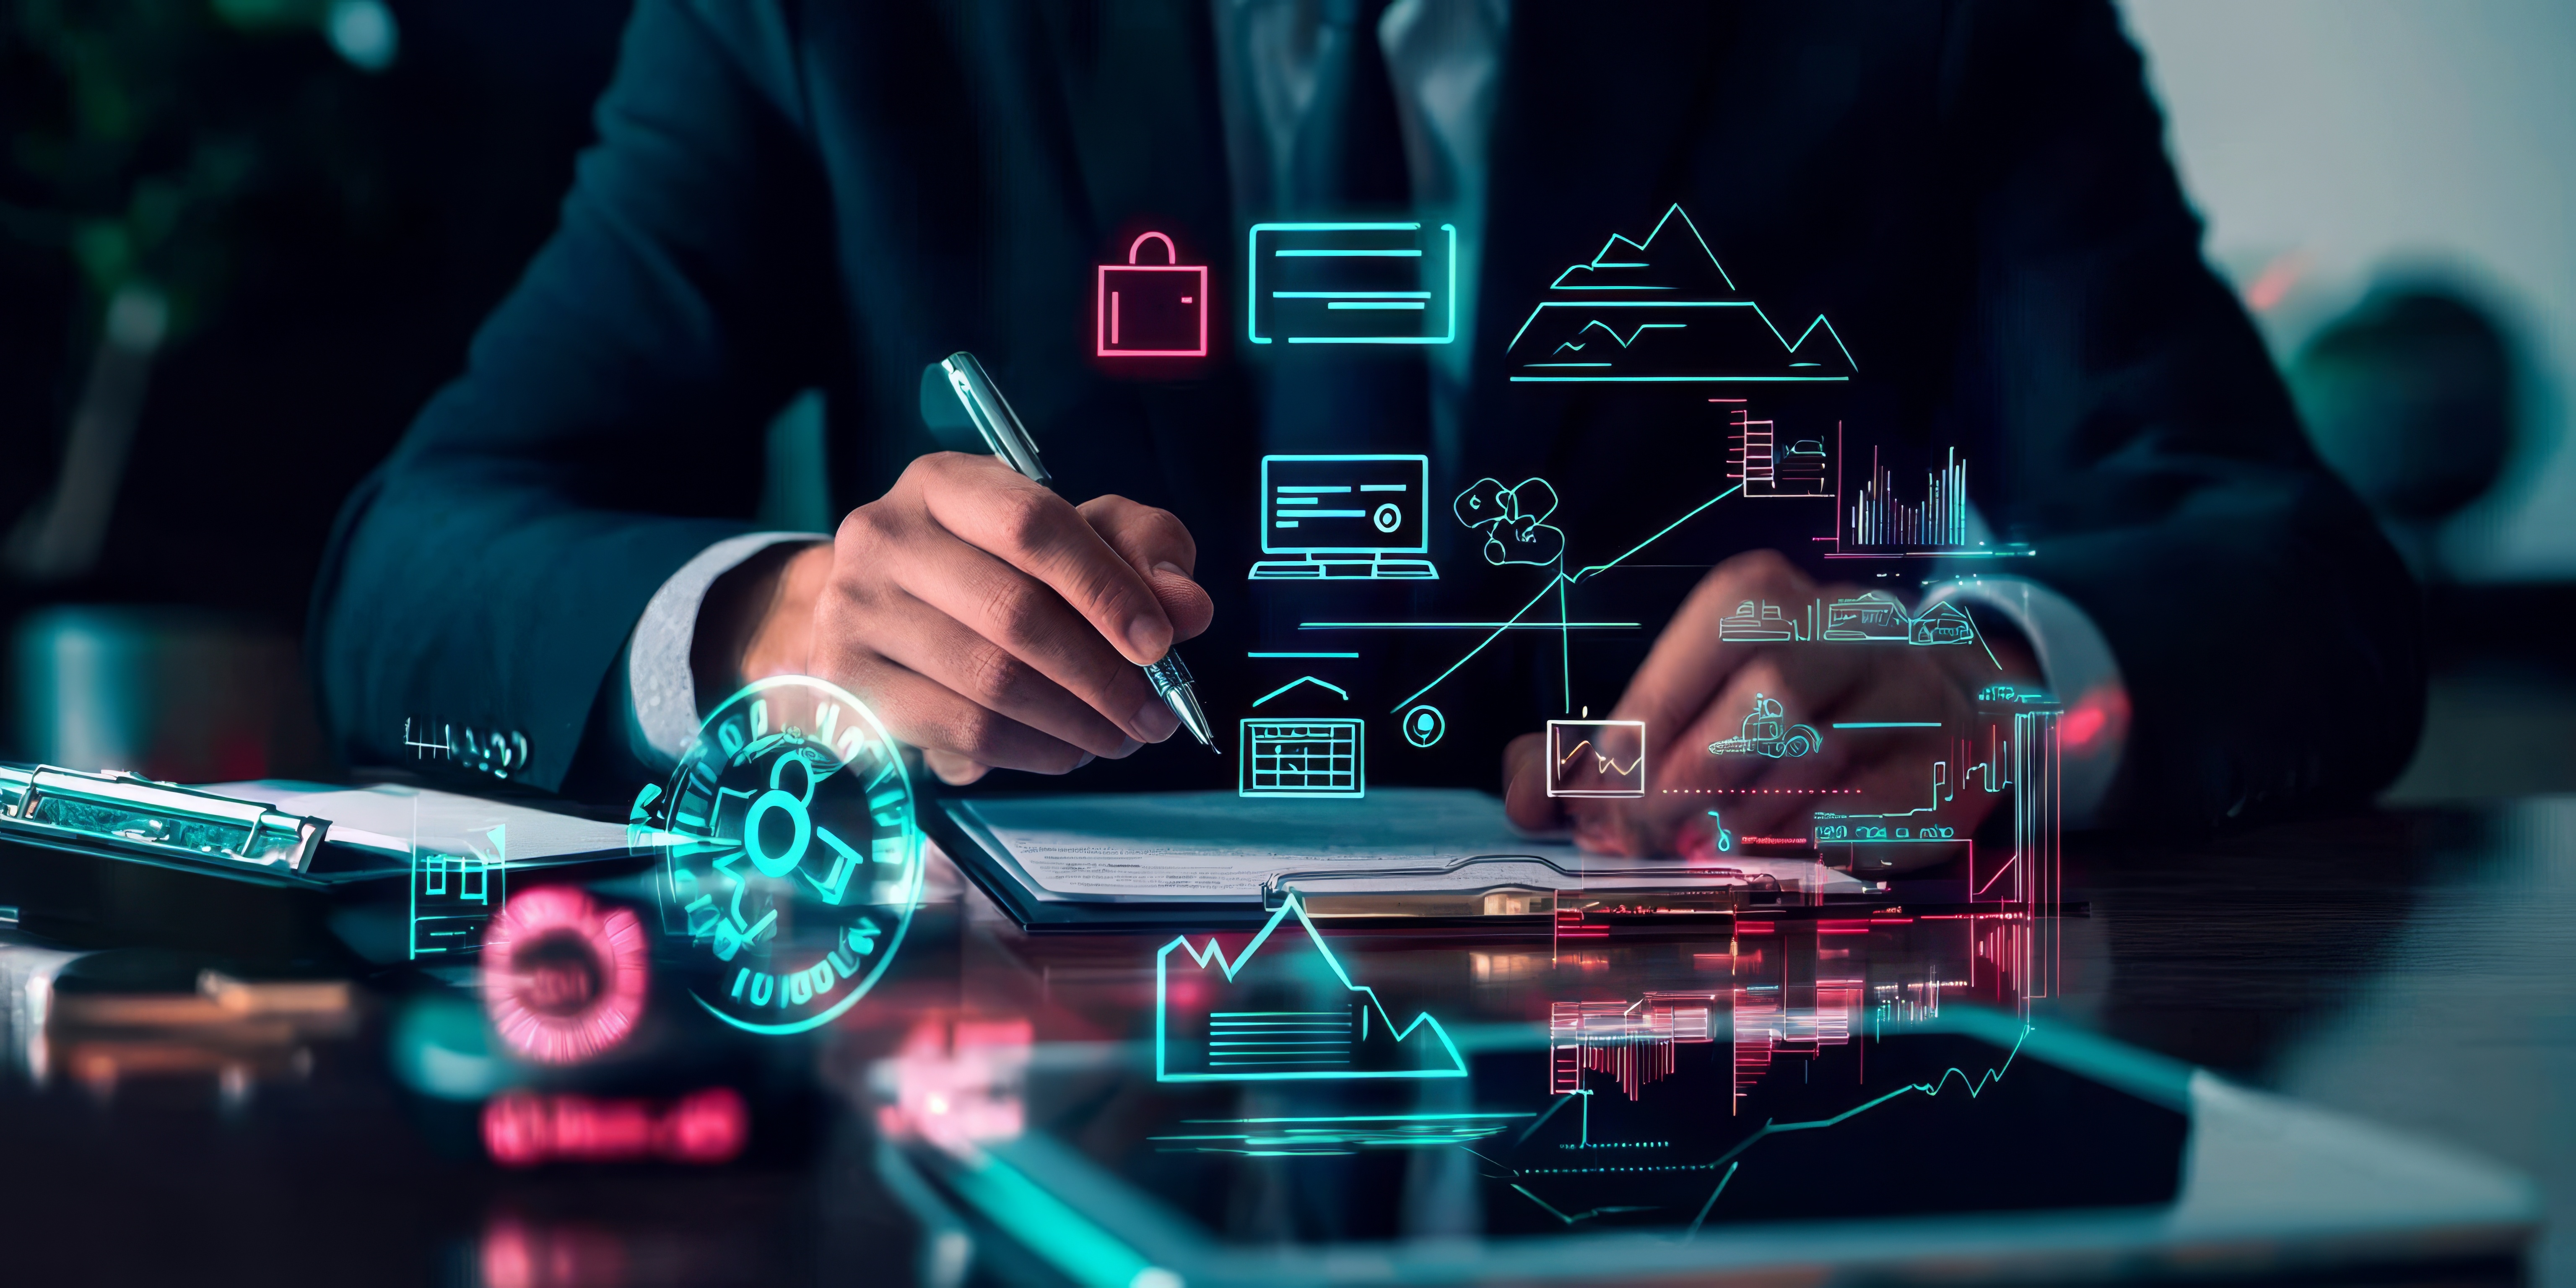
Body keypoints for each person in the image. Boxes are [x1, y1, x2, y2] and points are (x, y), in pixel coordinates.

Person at [312, 0, 2421, 854]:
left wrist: (1995, 675)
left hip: (1702, 1111)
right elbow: (423, 558)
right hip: (1041, 1116)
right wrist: (784, 626)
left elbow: (2292, 570)